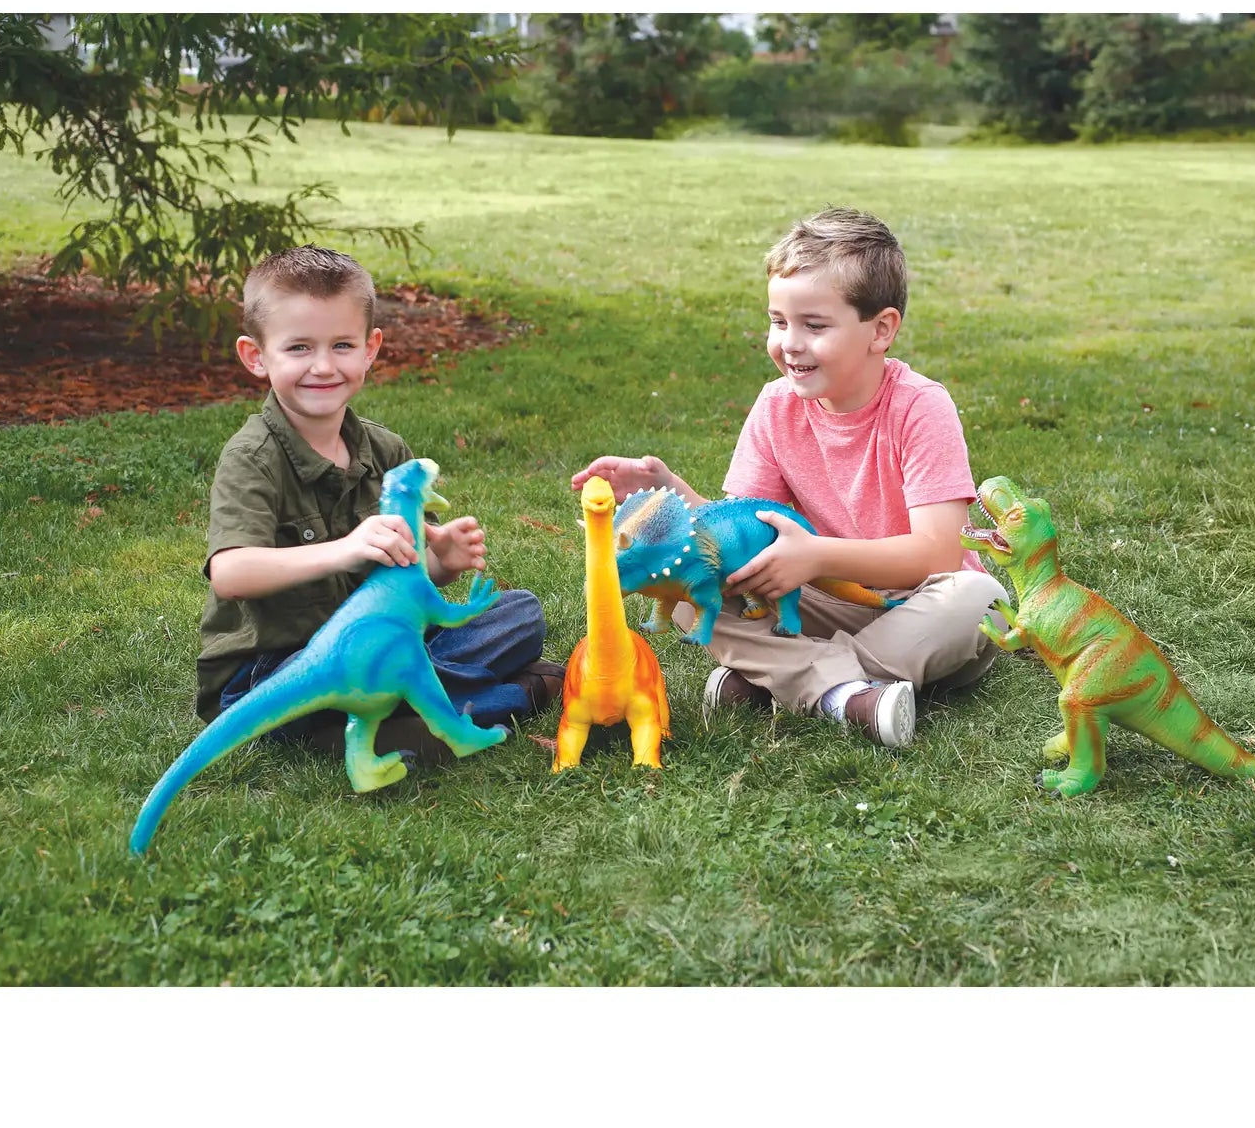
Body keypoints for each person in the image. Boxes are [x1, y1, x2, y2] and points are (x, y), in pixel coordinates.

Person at [571, 207, 1009, 748]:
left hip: (917, 604)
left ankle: (787, 679)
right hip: (811, 599)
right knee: (688, 594)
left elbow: (938, 553)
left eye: (814, 326)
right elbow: (739, 540)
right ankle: (842, 695)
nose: (790, 343)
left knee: (980, 600)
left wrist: (817, 556)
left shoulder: (920, 407)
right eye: (778, 322)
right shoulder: (776, 405)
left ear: (881, 330)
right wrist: (670, 490)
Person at [196, 245, 562, 762]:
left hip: (380, 642)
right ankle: (508, 697)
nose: (323, 366)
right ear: (256, 356)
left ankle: (385, 717)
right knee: (344, 676)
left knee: (520, 614)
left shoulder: (386, 451)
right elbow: (232, 573)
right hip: (278, 665)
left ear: (370, 349)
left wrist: (442, 560)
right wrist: (345, 548)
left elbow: (413, 578)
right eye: (298, 348)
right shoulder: (252, 458)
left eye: (342, 345)